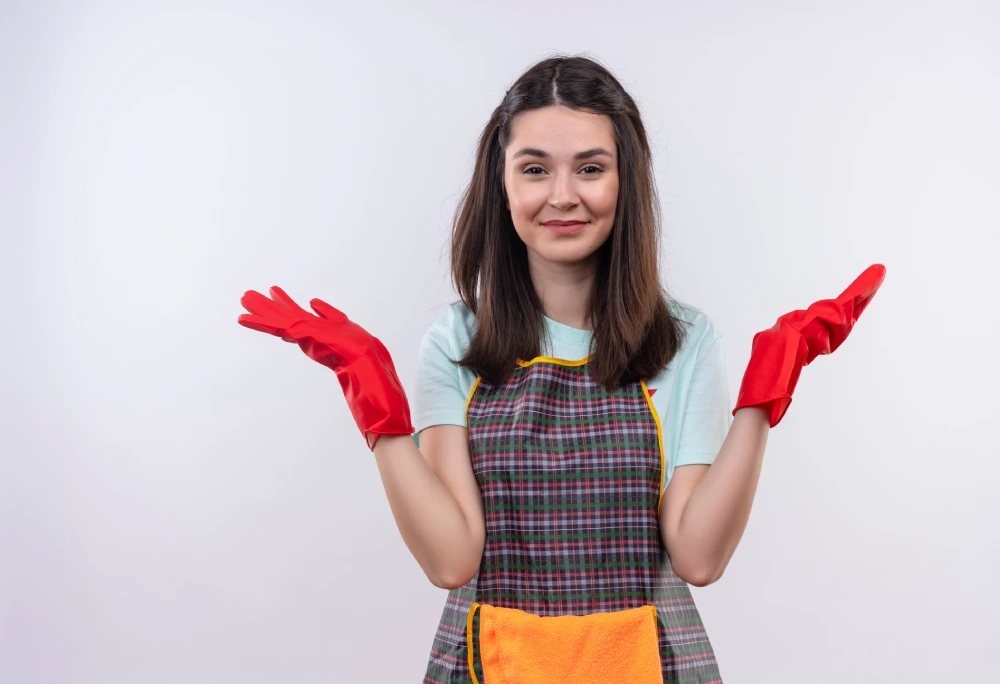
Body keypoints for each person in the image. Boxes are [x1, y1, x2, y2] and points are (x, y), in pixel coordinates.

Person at [237, 55, 885, 683]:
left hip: (646, 665)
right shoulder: (456, 342)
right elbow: (452, 558)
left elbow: (699, 554)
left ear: (625, 180)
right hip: (492, 663)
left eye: (591, 168)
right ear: (503, 182)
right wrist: (380, 410)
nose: (563, 195)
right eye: (535, 169)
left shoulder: (685, 340)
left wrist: (760, 402)